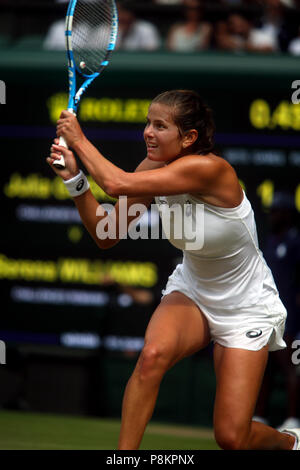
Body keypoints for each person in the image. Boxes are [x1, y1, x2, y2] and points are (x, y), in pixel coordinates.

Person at [47, 89, 299, 450]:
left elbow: (117, 183)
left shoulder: (210, 169)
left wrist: (79, 139)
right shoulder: (151, 169)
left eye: (160, 125)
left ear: (189, 138)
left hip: (247, 307)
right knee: (151, 357)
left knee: (232, 438)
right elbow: (107, 233)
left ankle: (291, 444)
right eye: (148, 122)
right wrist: (75, 182)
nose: (148, 131)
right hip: (193, 289)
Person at [254, 192, 300, 429]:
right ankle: (260, 416)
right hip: (266, 314)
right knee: (265, 366)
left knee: (290, 367)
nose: (272, 216)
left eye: (277, 211)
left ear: (288, 215)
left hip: (290, 317)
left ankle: (293, 419)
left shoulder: (296, 242)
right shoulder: (270, 242)